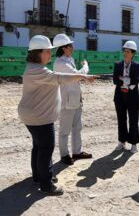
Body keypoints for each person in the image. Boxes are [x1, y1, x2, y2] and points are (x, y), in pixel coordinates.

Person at [18, 35, 95, 196]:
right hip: (39, 117)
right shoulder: (38, 70)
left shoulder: (34, 67)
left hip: (36, 115)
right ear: (38, 53)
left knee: (39, 147)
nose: (49, 54)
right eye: (47, 51)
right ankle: (46, 184)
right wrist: (83, 75)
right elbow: (59, 78)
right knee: (46, 148)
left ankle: (39, 177)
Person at [53, 34, 92, 165]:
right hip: (66, 100)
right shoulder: (60, 63)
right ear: (64, 48)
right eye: (70, 45)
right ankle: (64, 155)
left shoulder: (69, 60)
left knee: (77, 127)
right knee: (65, 130)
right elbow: (77, 76)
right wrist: (86, 66)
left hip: (75, 98)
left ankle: (77, 152)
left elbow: (76, 82)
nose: (73, 47)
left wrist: (80, 95)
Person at [113, 41, 139, 153]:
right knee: (121, 119)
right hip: (119, 97)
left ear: (133, 53)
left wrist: (123, 79)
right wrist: (127, 81)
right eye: (124, 51)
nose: (125, 53)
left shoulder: (137, 66)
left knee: (133, 120)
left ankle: (134, 144)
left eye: (128, 51)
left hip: (133, 97)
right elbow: (115, 80)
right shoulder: (117, 65)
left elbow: (136, 80)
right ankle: (122, 141)